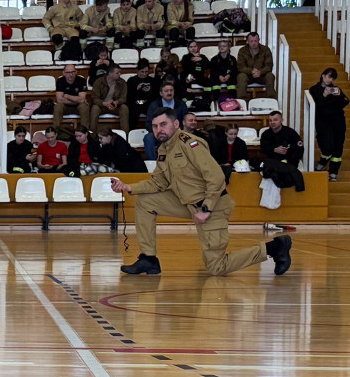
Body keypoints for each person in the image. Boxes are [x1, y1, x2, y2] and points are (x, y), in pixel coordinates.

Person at [113, 109, 292, 276]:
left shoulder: (191, 144)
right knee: (145, 202)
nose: (158, 130)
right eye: (154, 126)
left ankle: (274, 248)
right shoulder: (164, 149)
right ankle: (149, 259)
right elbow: (158, 182)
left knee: (217, 267)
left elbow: (216, 177)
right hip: (187, 203)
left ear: (175, 124)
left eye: (163, 124)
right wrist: (129, 187)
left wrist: (207, 209)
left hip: (211, 206)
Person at [308, 68, 348, 182]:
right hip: (323, 122)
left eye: (333, 78)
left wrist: (339, 95)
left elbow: (345, 101)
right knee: (326, 145)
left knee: (338, 147)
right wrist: (324, 95)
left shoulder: (336, 89)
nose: (330, 80)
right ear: (323, 75)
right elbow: (315, 106)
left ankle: (334, 172)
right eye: (328, 76)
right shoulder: (314, 89)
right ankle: (323, 160)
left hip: (338, 121)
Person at [144, 81, 187, 160]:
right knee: (148, 138)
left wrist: (173, 131)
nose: (169, 93)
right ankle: (153, 164)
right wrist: (159, 131)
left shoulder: (181, 104)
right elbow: (148, 123)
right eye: (166, 91)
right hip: (158, 132)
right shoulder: (154, 105)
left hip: (176, 133)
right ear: (161, 93)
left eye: (171, 90)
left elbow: (184, 121)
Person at [260, 111, 305, 184]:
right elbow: (264, 149)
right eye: (270, 120)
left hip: (289, 162)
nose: (272, 122)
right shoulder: (266, 134)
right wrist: (274, 150)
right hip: (273, 163)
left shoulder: (291, 133)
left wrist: (288, 158)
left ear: (281, 120)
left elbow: (299, 150)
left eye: (275, 120)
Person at [236, 31, 277, 100]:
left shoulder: (265, 50)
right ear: (247, 41)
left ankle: (272, 100)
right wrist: (251, 71)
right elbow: (241, 67)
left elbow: (269, 66)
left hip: (262, 75)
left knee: (270, 76)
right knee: (241, 77)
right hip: (248, 75)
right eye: (251, 41)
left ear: (259, 40)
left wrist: (260, 72)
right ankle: (241, 100)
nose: (254, 43)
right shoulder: (242, 51)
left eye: (255, 41)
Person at [90, 65, 129, 132]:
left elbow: (124, 98)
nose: (120, 74)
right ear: (110, 73)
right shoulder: (98, 82)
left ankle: (125, 135)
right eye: (117, 73)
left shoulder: (122, 82)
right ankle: (92, 134)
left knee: (124, 108)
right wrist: (104, 103)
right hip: (102, 106)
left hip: (116, 105)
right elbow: (94, 98)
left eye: (120, 72)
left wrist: (117, 102)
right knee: (94, 109)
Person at [128, 60, 159, 126]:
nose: (144, 74)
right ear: (137, 70)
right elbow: (129, 96)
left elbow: (156, 96)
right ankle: (131, 131)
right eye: (142, 72)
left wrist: (151, 90)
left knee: (154, 107)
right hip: (136, 103)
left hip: (148, 103)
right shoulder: (131, 81)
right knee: (133, 109)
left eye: (146, 72)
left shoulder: (152, 81)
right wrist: (136, 89)